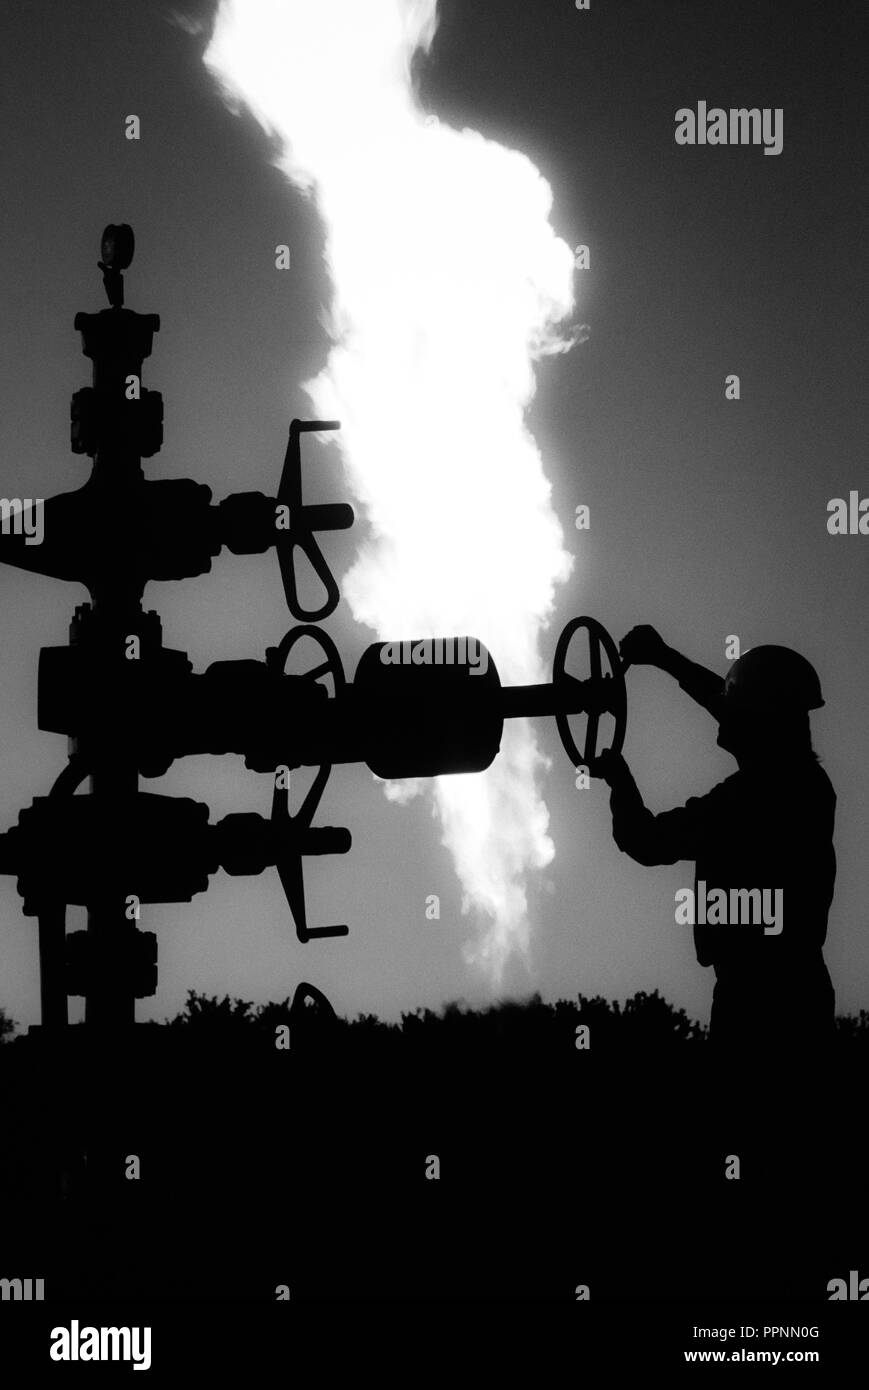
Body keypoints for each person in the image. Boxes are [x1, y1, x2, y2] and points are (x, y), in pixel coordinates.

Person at [594, 626, 836, 1064]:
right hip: (800, 995)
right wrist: (664, 658)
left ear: (761, 721)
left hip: (753, 1008)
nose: (724, 715)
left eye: (738, 709)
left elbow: (645, 841)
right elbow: (730, 707)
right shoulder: (806, 786)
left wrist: (619, 780)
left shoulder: (744, 802)